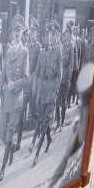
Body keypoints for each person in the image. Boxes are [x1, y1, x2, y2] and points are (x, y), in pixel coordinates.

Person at [0, 14, 29, 183]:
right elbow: (2, 76)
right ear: (11, 33)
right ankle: (8, 151)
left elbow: (26, 78)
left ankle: (2, 169)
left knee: (8, 133)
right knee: (1, 133)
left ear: (22, 32)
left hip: (16, 100)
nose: (17, 33)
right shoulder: (8, 51)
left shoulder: (24, 52)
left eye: (19, 30)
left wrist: (14, 85)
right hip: (6, 100)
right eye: (14, 31)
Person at [31, 20, 62, 167]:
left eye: (54, 35)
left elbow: (59, 75)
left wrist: (55, 91)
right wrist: (38, 91)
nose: (51, 37)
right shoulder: (45, 52)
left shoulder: (58, 51)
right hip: (44, 90)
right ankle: (48, 139)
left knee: (45, 121)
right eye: (49, 35)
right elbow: (40, 74)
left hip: (52, 91)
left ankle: (36, 154)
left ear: (57, 36)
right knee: (42, 118)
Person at [15, 17, 42, 152]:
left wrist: (32, 81)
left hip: (32, 85)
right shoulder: (25, 47)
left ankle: (39, 135)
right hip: (25, 85)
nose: (32, 33)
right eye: (30, 31)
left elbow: (37, 68)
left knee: (33, 113)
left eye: (34, 31)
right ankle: (18, 143)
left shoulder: (38, 47)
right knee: (20, 114)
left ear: (37, 33)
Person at [55, 21, 73, 131]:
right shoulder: (61, 45)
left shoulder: (71, 46)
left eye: (66, 34)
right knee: (57, 102)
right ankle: (57, 122)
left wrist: (69, 78)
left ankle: (61, 123)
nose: (64, 35)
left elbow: (71, 64)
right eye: (64, 33)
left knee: (63, 102)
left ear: (70, 35)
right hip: (59, 78)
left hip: (66, 78)